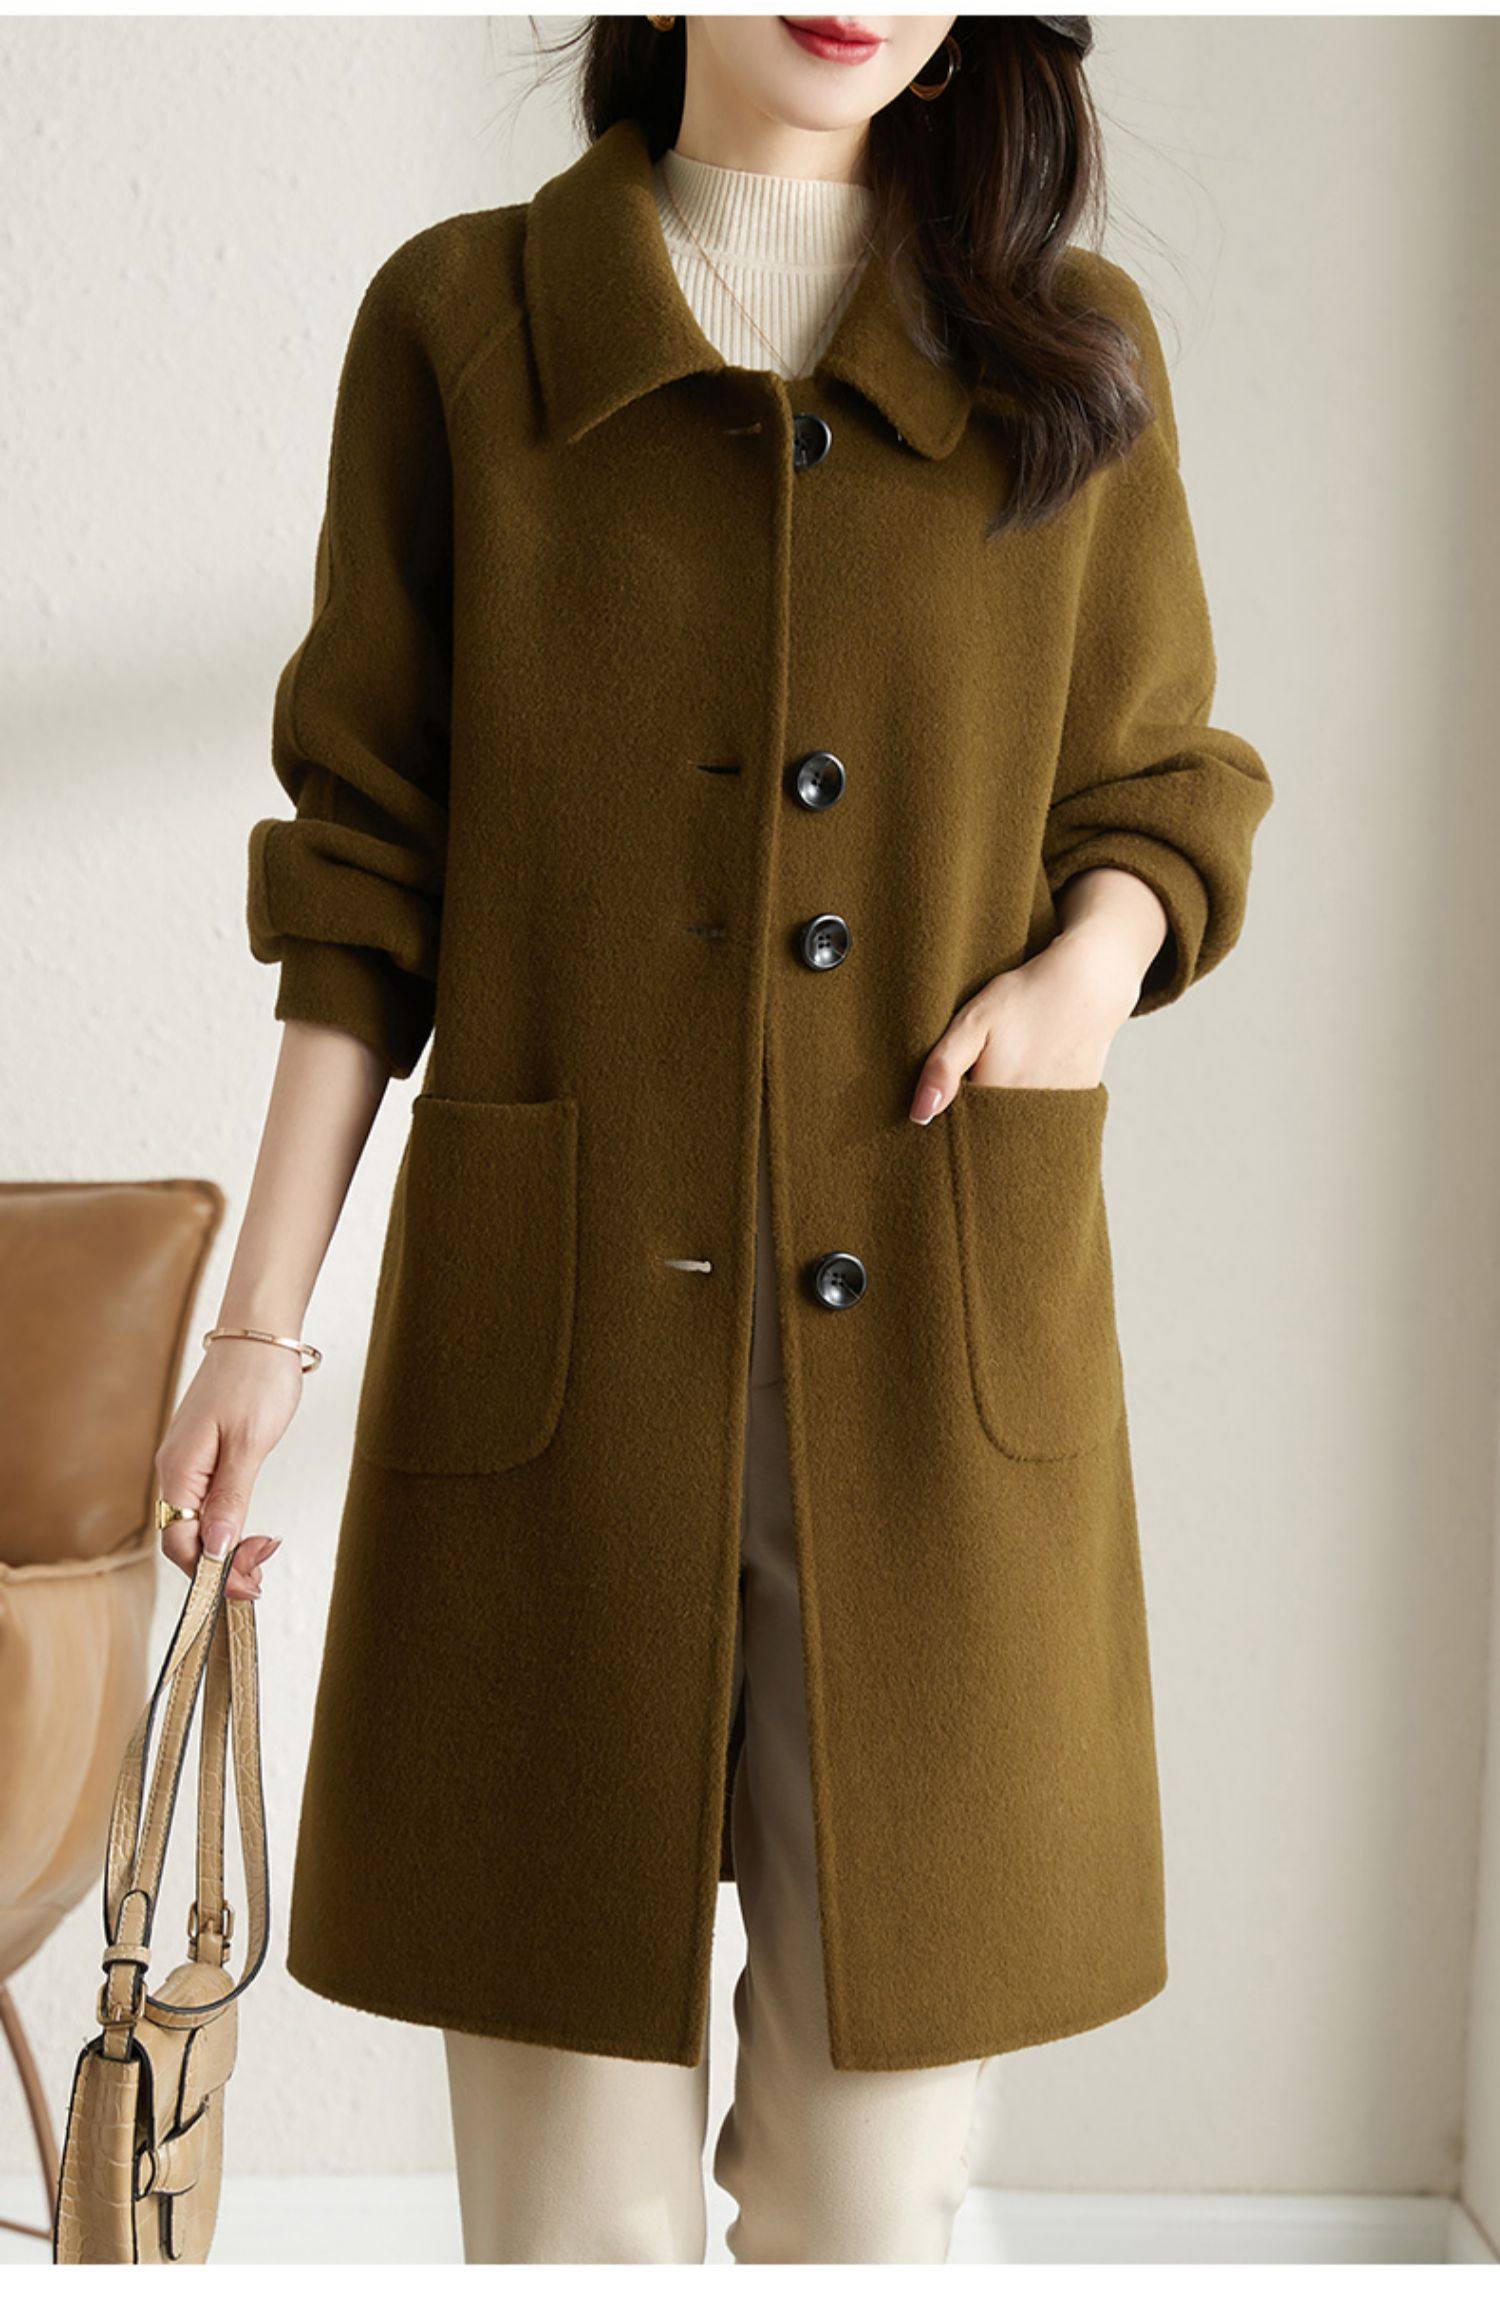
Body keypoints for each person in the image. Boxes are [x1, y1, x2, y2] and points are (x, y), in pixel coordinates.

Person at [155, 13, 1271, 2264]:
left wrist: (1092, 969)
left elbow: (1163, 783)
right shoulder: (463, 325)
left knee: (873, 2198)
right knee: (572, 2224)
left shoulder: (1066, 345)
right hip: (563, 1384)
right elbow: (366, 870)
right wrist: (254, 1333)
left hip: (938, 1372)